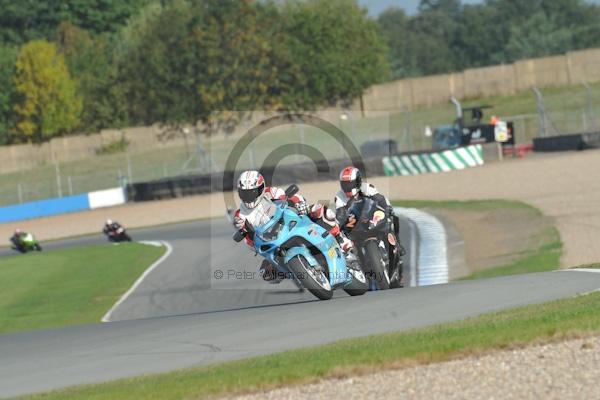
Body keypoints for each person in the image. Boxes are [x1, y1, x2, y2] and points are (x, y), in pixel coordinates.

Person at [233, 170, 309, 283]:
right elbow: (248, 240)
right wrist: (244, 231)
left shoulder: (272, 192)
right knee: (266, 273)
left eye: (252, 192)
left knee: (319, 211)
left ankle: (339, 240)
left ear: (261, 188)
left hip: (290, 225)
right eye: (245, 193)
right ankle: (292, 271)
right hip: (271, 242)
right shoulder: (240, 215)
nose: (249, 197)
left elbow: (289, 198)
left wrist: (299, 204)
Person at [334, 166, 405, 260]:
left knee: (391, 220)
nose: (347, 187)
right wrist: (340, 222)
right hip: (354, 224)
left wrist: (387, 208)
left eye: (349, 184)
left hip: (371, 217)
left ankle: (396, 244)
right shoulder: (339, 196)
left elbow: (380, 199)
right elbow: (340, 214)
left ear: (358, 181)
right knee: (347, 243)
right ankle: (359, 260)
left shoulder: (366, 187)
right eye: (344, 184)